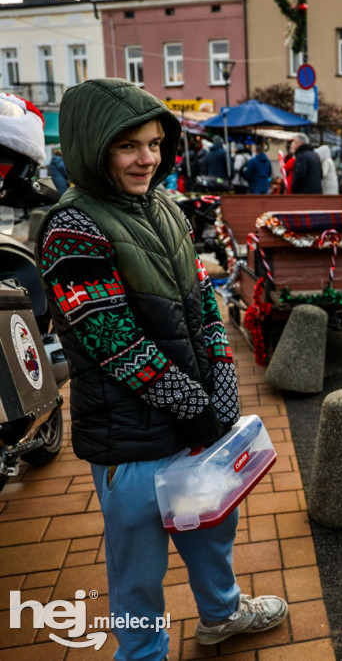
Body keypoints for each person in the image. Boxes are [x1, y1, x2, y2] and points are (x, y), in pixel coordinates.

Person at [34, 78, 288, 661]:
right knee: (137, 571)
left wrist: (222, 384)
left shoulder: (165, 207)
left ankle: (221, 616)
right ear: (93, 147)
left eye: (153, 143)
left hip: (190, 425)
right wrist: (198, 406)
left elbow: (203, 301)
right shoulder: (71, 227)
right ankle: (143, 654)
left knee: (211, 531)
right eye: (128, 146)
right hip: (130, 439)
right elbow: (114, 342)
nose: (147, 158)